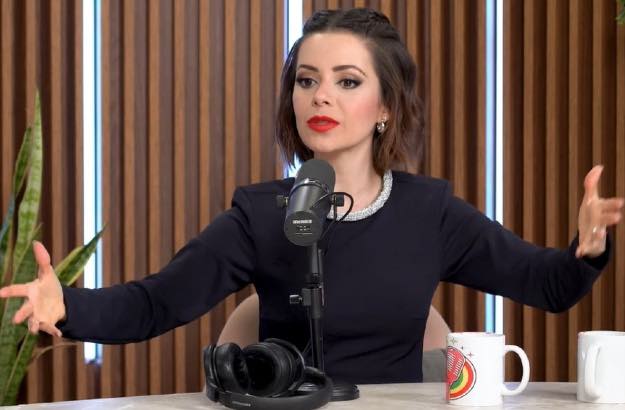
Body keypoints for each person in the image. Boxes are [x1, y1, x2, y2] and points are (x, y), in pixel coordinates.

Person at [1, 8, 623, 384]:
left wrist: (588, 246)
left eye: (347, 82)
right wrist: (67, 305)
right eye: (306, 80)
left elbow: (549, 285)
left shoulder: (429, 213)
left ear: (385, 106)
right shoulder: (259, 214)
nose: (320, 96)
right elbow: (156, 304)